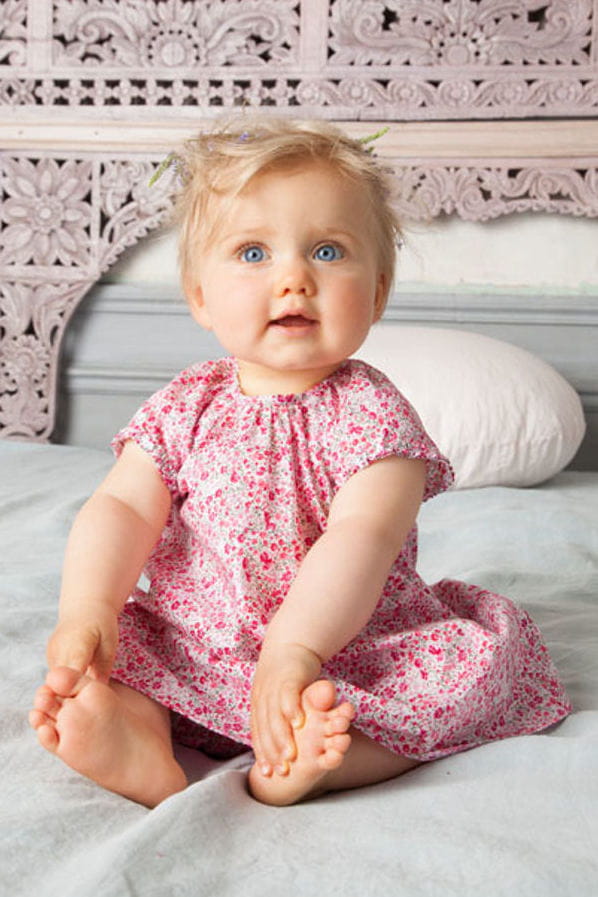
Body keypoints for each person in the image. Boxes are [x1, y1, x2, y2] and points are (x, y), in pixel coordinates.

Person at [29, 115, 571, 808]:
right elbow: (124, 506)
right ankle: (137, 735)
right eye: (253, 253)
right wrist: (89, 606)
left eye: (327, 250)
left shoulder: (374, 414)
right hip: (195, 645)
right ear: (200, 296)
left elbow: (361, 538)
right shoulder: (187, 403)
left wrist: (293, 651)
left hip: (343, 651)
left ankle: (314, 759)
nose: (293, 278)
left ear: (377, 292)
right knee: (117, 653)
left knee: (470, 673)